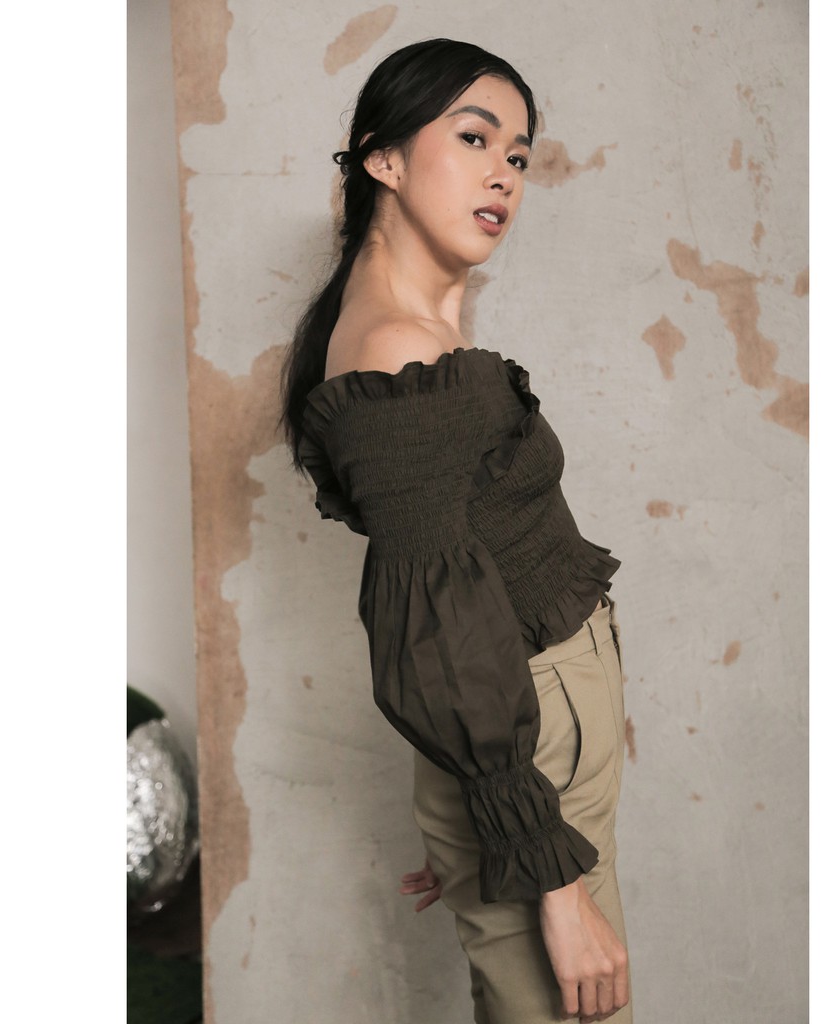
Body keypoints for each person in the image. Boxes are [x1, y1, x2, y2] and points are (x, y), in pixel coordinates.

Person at [280, 38, 631, 1024]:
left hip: (526, 741)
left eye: (517, 154)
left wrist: (486, 814)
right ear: (384, 159)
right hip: (527, 738)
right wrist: (540, 870)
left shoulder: (421, 330)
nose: (503, 174)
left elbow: (456, 577)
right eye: (473, 138)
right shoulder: (394, 352)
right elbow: (431, 627)